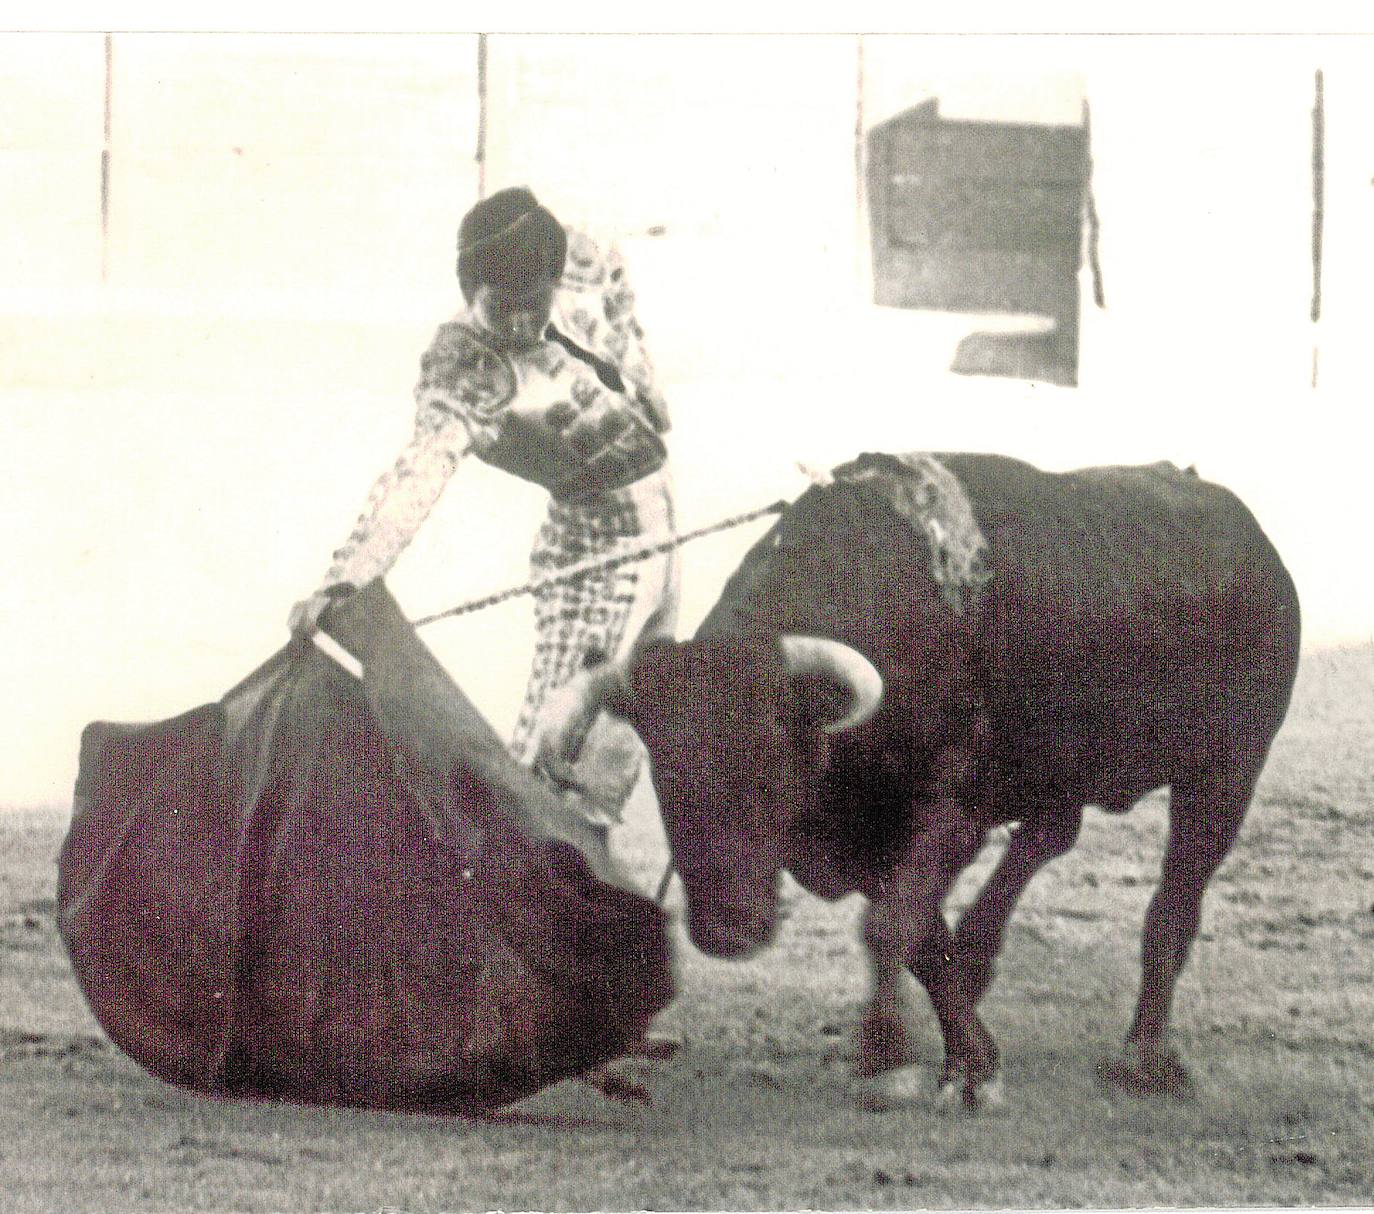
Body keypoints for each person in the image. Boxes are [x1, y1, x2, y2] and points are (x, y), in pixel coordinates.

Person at [289, 187, 679, 836]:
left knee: (611, 753)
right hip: (598, 550)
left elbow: (615, 280)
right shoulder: (468, 363)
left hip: (665, 530)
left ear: (555, 277)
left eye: (535, 304)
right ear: (470, 287)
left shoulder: (581, 255)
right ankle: (514, 917)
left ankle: (579, 908)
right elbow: (419, 471)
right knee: (554, 755)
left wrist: (637, 360)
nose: (521, 325)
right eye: (502, 307)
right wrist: (347, 577)